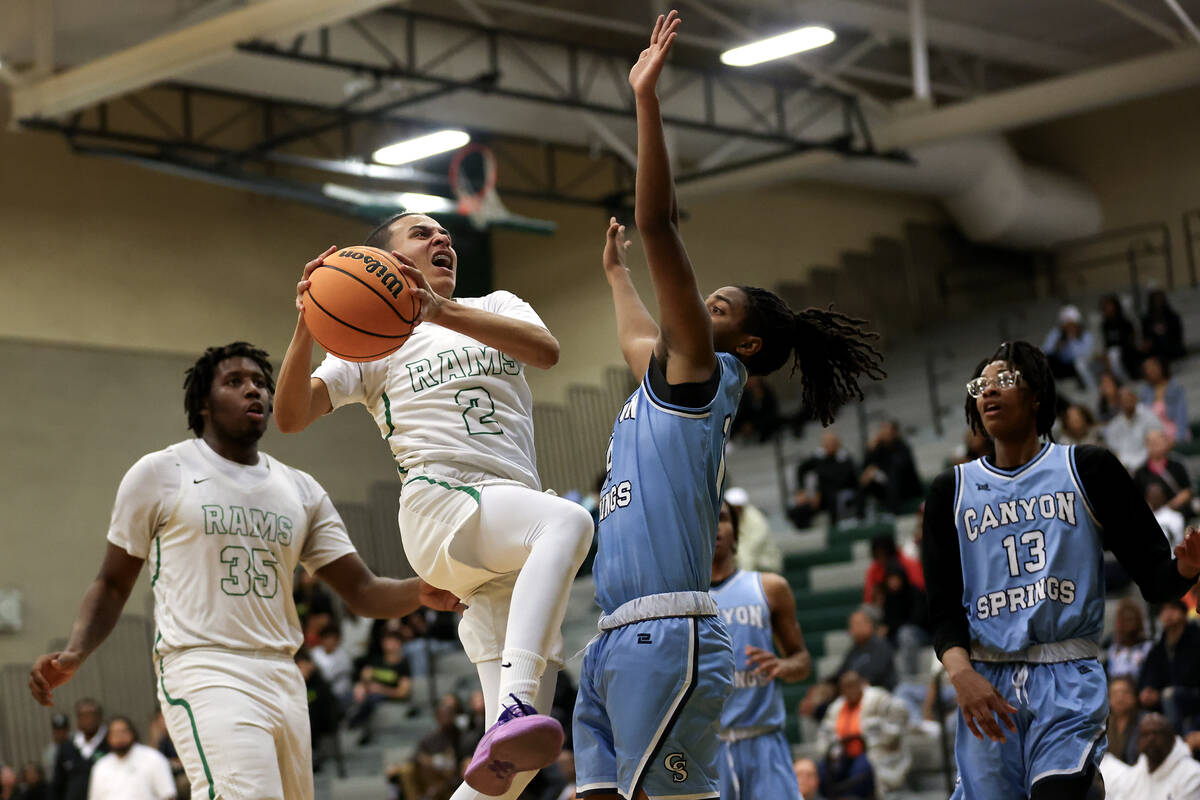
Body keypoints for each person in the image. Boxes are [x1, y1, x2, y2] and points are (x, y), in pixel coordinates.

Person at [573, 13, 884, 800]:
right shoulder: (668, 376)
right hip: (613, 634)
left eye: (715, 307)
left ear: (742, 346)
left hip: (668, 631)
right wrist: (615, 280)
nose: (697, 310)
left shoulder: (704, 376)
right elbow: (635, 337)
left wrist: (645, 101)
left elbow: (657, 221)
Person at [28, 342, 462, 800]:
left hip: (282, 672)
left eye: (260, 382)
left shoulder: (302, 490)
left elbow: (362, 589)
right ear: (204, 403)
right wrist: (77, 649)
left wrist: (421, 590)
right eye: (234, 382)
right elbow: (113, 583)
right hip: (203, 664)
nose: (253, 390)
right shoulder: (161, 472)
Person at [278, 228, 594, 797]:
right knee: (568, 520)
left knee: (513, 775)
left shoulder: (495, 305)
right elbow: (292, 416)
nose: (442, 237)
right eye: (423, 233)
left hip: (506, 527)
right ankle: (515, 704)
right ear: (389, 259)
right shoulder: (373, 342)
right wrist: (308, 324)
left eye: (444, 232)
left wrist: (440, 310)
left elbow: (545, 352)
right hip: (442, 500)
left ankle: (510, 716)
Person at [922, 340, 1200, 800]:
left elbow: (1153, 579)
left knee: (1060, 792)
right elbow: (941, 610)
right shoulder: (950, 491)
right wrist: (960, 675)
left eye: (1005, 380)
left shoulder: (1086, 469)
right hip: (986, 680)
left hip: (1066, 674)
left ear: (1036, 396)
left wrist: (1184, 570)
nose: (989, 392)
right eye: (980, 385)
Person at [710, 500, 811, 800]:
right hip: (707, 749)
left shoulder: (769, 588)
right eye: (707, 518)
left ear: (736, 532)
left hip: (764, 741)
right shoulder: (682, 601)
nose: (715, 525)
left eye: (723, 518)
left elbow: (802, 661)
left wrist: (783, 667)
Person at [817, 672, 907, 797]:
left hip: (872, 752)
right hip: (842, 754)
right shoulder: (836, 708)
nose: (850, 690)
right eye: (846, 687)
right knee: (823, 771)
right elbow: (824, 734)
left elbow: (898, 721)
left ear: (861, 684)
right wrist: (830, 752)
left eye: (853, 685)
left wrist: (881, 733)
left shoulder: (878, 699)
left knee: (860, 772)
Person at [1100, 713, 1200, 799]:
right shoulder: (1137, 772)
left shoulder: (1193, 774)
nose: (1151, 739)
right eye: (1145, 734)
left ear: (1171, 738)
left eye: (1157, 733)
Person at [1138, 599, 1200, 736]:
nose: (1168, 614)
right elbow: (1148, 674)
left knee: (1169, 695)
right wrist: (1148, 690)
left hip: (1193, 695)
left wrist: (1159, 694)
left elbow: (1189, 678)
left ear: (1184, 614)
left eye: (1173, 608)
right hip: (1166, 697)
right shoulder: (1158, 647)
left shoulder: (1196, 640)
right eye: (1164, 610)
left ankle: (1176, 741)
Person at [86, 716, 176, 800]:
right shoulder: (100, 766)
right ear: (108, 738)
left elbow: (168, 795)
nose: (119, 737)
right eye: (115, 733)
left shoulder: (153, 758)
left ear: (132, 733)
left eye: (123, 732)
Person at [349, 629, 413, 743]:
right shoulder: (377, 660)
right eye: (386, 641)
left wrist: (380, 690)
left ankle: (356, 723)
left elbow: (403, 692)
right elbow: (365, 676)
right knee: (349, 695)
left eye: (392, 641)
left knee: (372, 698)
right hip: (371, 693)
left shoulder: (403, 665)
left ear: (399, 643)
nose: (388, 644)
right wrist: (361, 686)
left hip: (388, 696)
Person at [788, 432, 860, 529]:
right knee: (797, 508)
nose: (827, 447)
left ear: (837, 444)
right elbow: (801, 469)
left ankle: (834, 530)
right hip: (820, 496)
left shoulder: (845, 460)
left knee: (833, 498)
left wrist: (820, 493)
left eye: (831, 443)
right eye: (825, 444)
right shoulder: (818, 458)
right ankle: (804, 531)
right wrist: (802, 490)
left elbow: (844, 481)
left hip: (839, 494)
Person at [859, 421, 922, 516]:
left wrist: (877, 471)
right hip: (887, 485)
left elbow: (898, 467)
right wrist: (870, 450)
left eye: (887, 433)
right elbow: (865, 465)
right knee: (865, 476)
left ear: (894, 433)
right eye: (882, 432)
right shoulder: (880, 447)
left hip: (906, 486)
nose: (884, 435)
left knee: (893, 475)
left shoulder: (903, 447)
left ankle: (892, 513)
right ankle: (860, 516)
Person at [53, 699, 107, 800]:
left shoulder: (111, 744)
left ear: (99, 717)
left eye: (91, 715)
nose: (88, 720)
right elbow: (58, 784)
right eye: (83, 716)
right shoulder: (67, 747)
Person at [1135, 428, 1194, 514]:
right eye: (1152, 443)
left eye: (1160, 441)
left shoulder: (1177, 466)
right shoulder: (1140, 472)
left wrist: (1169, 507)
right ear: (1147, 446)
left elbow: (1187, 491)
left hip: (1178, 513)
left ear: (1166, 443)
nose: (1156, 446)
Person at [723, 487, 781, 573]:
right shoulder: (726, 520)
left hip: (765, 568)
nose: (736, 510)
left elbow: (748, 552)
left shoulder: (757, 520)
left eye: (738, 507)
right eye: (732, 508)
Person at [1105, 386, 1163, 471]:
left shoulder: (1149, 416)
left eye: (1129, 398)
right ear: (1118, 403)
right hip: (1125, 466)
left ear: (1136, 398)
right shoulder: (1114, 425)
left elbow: (1158, 441)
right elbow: (1114, 449)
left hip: (1149, 462)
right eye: (1123, 400)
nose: (1127, 402)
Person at [1043, 305, 1097, 392]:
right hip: (1061, 366)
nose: (1069, 327)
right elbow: (1046, 351)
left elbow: (1086, 355)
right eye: (1066, 324)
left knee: (1080, 363)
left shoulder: (1086, 336)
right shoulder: (1056, 333)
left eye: (1072, 324)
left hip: (1079, 366)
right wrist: (1060, 344)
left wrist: (1073, 339)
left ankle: (1090, 389)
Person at [1139, 356, 1191, 443]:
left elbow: (1182, 416)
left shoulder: (1175, 388)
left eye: (1154, 366)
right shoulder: (1144, 393)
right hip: (1154, 437)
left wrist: (1178, 438)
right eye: (1148, 368)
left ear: (1161, 367)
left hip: (1175, 434)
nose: (1152, 370)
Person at [863, 534, 924, 604]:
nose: (882, 559)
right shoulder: (873, 570)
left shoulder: (909, 564)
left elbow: (920, 588)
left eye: (885, 555)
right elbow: (868, 598)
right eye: (878, 555)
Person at [1104, 597, 1154, 682]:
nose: (1128, 624)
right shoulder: (1112, 649)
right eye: (1124, 620)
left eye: (1131, 619)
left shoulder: (1148, 648)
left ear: (1139, 620)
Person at [312, 623, 355, 709]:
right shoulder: (315, 653)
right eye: (326, 638)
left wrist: (317, 668)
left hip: (341, 695)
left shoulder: (344, 655)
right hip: (320, 694)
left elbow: (328, 676)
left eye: (332, 638)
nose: (329, 641)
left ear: (337, 640)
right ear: (321, 639)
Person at [1098, 294, 1141, 382]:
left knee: (1114, 354)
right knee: (1108, 355)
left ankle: (1127, 380)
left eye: (1110, 306)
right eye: (1105, 307)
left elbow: (1131, 341)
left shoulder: (1126, 322)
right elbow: (1106, 344)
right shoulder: (1104, 325)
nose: (1108, 309)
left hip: (1126, 351)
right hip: (1111, 353)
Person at [1106, 676, 1145, 766]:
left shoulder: (1145, 721)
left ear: (1134, 697)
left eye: (1125, 693)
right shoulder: (1103, 724)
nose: (1120, 698)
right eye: (1115, 694)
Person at [1140, 289, 1185, 364]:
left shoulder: (1173, 317)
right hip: (1155, 349)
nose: (1158, 303)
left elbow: (1178, 335)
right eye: (1155, 300)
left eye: (1160, 300)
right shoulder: (1147, 319)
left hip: (1172, 347)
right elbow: (1146, 337)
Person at [1148, 483, 1187, 550]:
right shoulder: (1176, 516)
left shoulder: (1175, 517)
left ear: (1163, 497)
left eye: (1156, 496)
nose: (1154, 499)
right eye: (1152, 496)